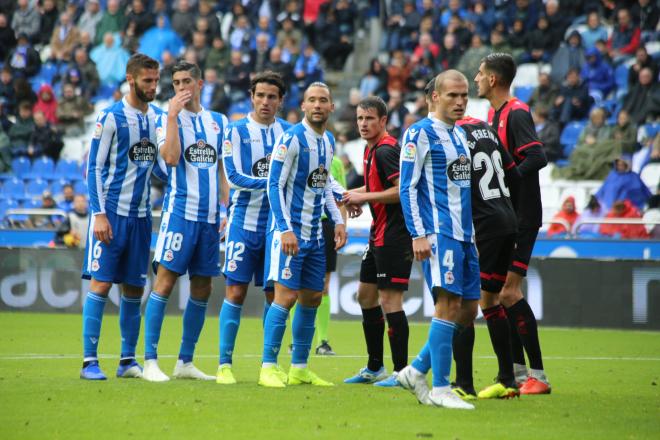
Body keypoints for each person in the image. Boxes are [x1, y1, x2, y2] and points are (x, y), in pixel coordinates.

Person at [395, 70, 479, 410]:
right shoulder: (419, 134)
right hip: (438, 233)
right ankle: (441, 389)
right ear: (434, 97)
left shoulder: (459, 136)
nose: (459, 102)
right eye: (452, 96)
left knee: (468, 309)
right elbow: (407, 187)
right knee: (446, 305)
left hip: (465, 234)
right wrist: (418, 233)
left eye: (464, 96)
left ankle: (415, 370)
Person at [143, 61, 228, 382]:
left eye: (186, 81)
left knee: (203, 287)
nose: (181, 88)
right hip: (180, 215)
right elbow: (171, 158)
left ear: (200, 83)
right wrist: (173, 116)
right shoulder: (166, 120)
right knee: (164, 282)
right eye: (176, 82)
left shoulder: (218, 122)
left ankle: (185, 361)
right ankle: (150, 359)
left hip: (209, 220)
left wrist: (226, 209)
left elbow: (220, 168)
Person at [258, 82, 347, 388]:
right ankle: (268, 366)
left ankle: (299, 367)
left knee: (311, 298)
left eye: (324, 100)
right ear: (304, 106)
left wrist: (338, 220)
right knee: (285, 297)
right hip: (290, 234)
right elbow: (274, 185)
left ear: (332, 107)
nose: (318, 105)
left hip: (315, 235)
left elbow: (322, 187)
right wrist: (284, 229)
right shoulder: (291, 139)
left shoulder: (328, 142)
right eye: (312, 100)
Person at [79, 53, 162, 380]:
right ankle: (89, 361)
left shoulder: (154, 118)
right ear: (130, 79)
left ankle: (127, 360)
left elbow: (156, 165)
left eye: (156, 80)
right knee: (100, 284)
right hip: (111, 215)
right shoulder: (110, 117)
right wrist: (99, 214)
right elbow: (94, 168)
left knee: (133, 287)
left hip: (141, 218)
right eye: (147, 80)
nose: (153, 86)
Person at [474, 53, 551, 394]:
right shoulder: (495, 114)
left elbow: (537, 156)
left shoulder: (516, 112)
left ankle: (538, 376)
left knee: (508, 291)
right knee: (495, 295)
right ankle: (518, 375)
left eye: (479, 74)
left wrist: (509, 183)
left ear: (492, 79)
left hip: (521, 217)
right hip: (506, 218)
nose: (475, 79)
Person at [216, 71, 291, 385]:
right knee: (235, 291)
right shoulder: (234, 131)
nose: (265, 102)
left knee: (275, 295)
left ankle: (268, 366)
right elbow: (233, 178)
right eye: (260, 95)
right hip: (243, 226)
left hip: (276, 227)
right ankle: (224, 365)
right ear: (251, 96)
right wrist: (275, 182)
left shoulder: (289, 133)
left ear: (280, 101)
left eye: (271, 97)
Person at [342, 96, 413, 387]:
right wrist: (350, 195)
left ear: (383, 121)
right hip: (379, 232)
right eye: (360, 118)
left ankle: (401, 372)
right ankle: (374, 367)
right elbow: (375, 187)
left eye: (369, 119)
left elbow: (402, 191)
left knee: (389, 300)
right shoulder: (371, 150)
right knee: (365, 295)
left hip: (396, 235)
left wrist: (364, 197)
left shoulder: (386, 151)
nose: (363, 124)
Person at [314, 154, 347, 355]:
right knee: (297, 288)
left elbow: (341, 198)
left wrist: (343, 227)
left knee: (323, 286)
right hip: (302, 224)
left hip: (327, 226)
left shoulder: (335, 163)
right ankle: (297, 341)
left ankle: (323, 341)